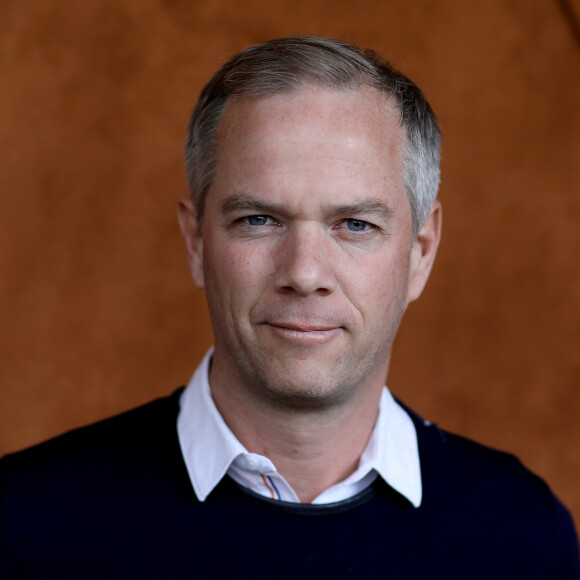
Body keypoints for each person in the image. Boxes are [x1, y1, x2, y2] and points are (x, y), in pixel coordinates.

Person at [1, 36, 578, 578]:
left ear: (420, 252)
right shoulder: (24, 525)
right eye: (258, 220)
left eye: (355, 224)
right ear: (197, 241)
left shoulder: (522, 534)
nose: (304, 273)